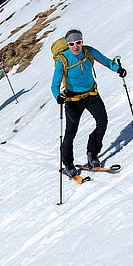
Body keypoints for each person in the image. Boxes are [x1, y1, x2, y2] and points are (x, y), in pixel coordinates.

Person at [50, 29, 126, 174]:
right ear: (68, 44)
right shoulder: (63, 60)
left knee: (102, 121)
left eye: (78, 42)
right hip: (73, 100)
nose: (75, 46)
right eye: (71, 44)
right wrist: (58, 96)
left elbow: (108, 62)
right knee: (70, 132)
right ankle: (68, 164)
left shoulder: (89, 52)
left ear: (82, 41)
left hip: (91, 95)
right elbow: (54, 85)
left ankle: (92, 153)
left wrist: (118, 69)